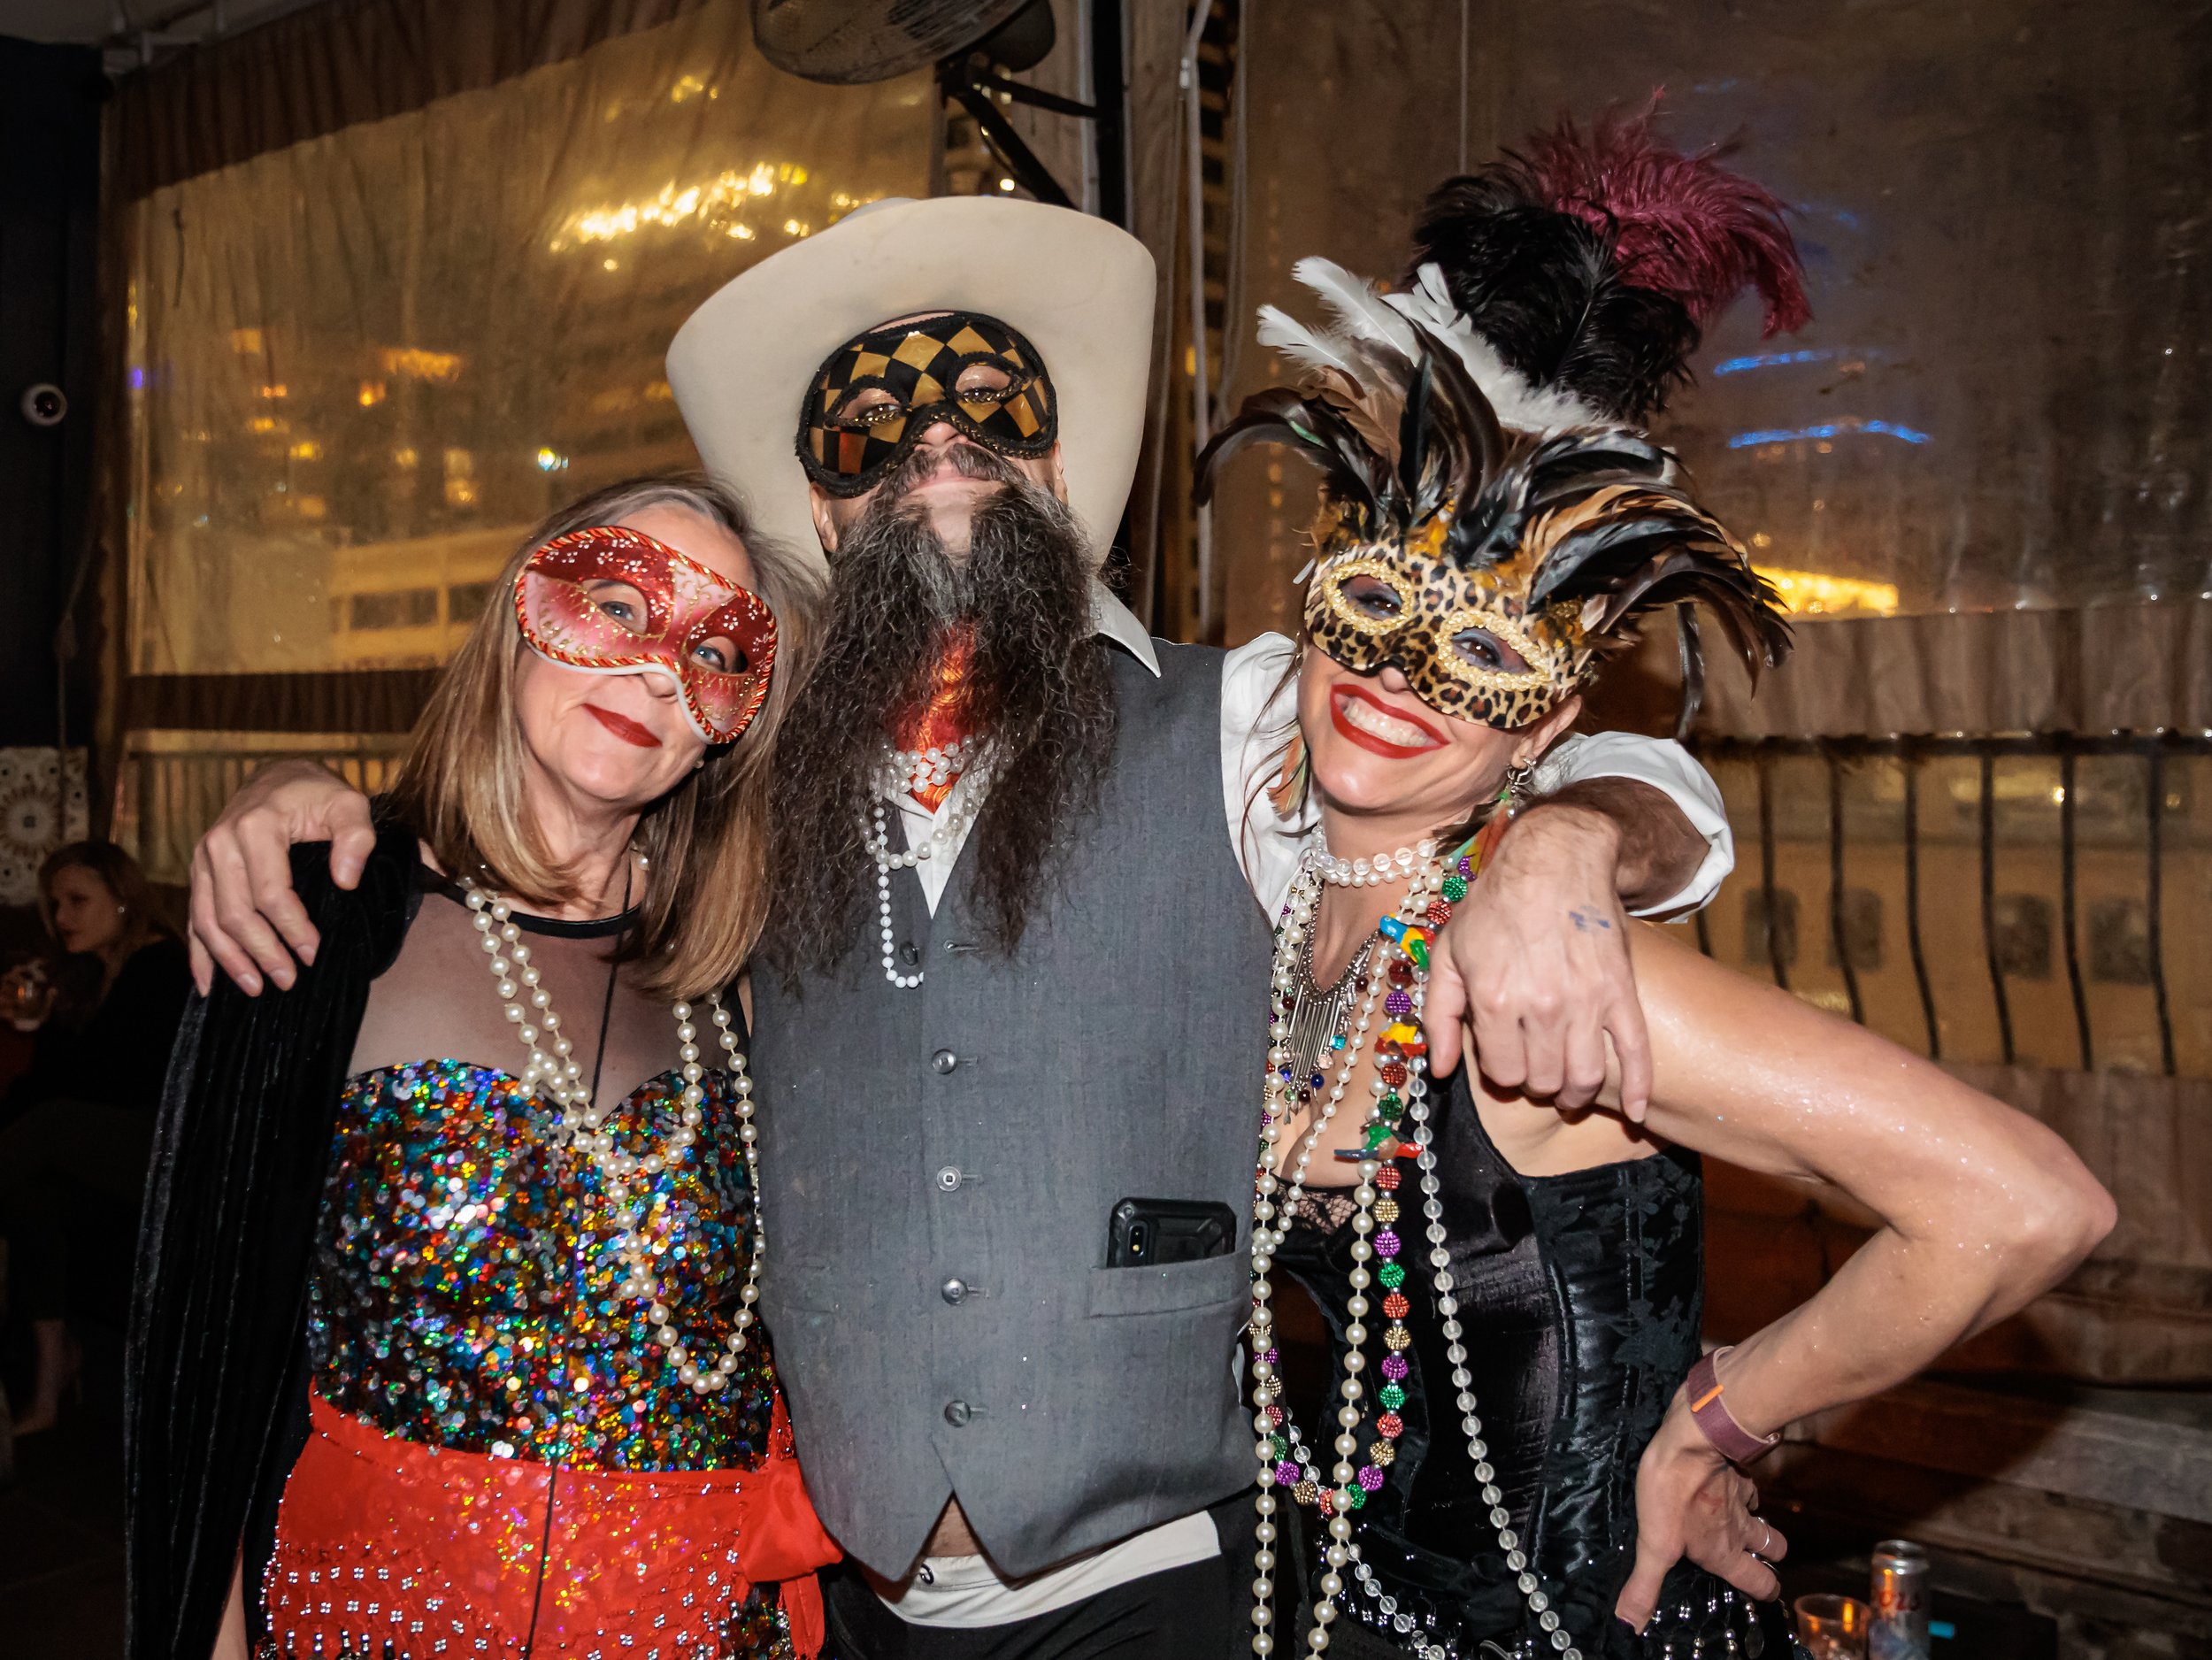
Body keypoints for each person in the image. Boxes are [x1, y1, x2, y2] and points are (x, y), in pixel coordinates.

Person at [183, 196, 1740, 1659]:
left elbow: (1515, 721)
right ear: (824, 501)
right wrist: (303, 792)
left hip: (1156, 1579)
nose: (937, 445)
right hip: (848, 1604)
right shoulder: (745, 775)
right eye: (874, 428)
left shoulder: (1230, 721)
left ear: (1060, 472)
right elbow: (540, 828)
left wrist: (1567, 840)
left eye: (996, 414)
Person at [1202, 119, 2117, 1659]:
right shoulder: (1289, 898)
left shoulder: (1552, 966)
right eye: (1373, 604)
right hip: (1357, 1608)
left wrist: (1719, 1424)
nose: (1403, 674)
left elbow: (2021, 1207)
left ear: (1552, 719)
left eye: (1485, 650)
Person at [126, 476, 840, 1660]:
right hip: (369, 1617)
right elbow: (205, 1347)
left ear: (734, 717)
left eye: (714, 649)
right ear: (523, 609)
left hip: (697, 1628)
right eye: (615, 604)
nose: (657, 668)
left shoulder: (761, 969)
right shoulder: (321, 916)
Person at [0, 841, 190, 1436]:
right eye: (56, 904)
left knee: (49, 1127)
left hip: (165, 1147)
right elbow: (50, 1089)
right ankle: (54, 1372)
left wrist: (51, 1031)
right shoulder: (85, 975)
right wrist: (40, 1026)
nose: (62, 919)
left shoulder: (162, 966)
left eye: (78, 901)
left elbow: (114, 1085)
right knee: (32, 1193)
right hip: (99, 1147)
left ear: (125, 901)